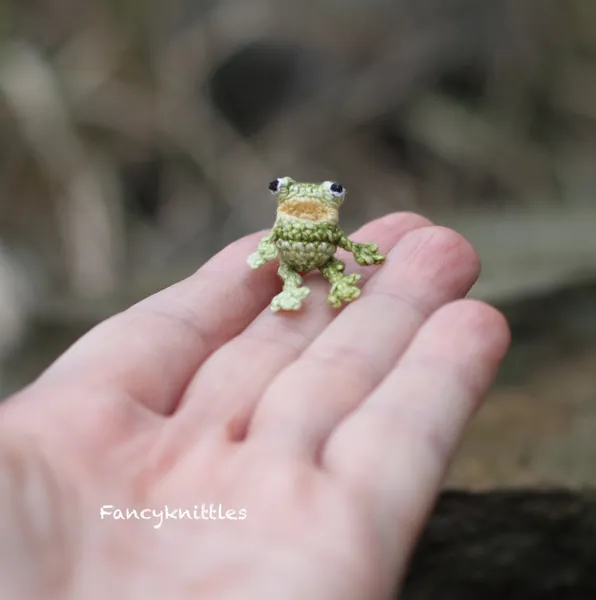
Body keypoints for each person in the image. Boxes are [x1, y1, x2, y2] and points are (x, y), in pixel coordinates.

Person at [0, 213, 510, 599]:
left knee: (345, 279)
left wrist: (359, 256)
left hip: (327, 270)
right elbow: (270, 248)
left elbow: (346, 246)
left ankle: (332, 284)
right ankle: (299, 290)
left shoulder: (324, 234)